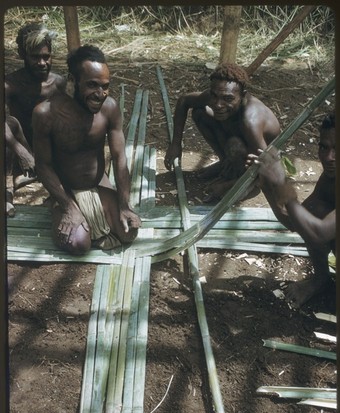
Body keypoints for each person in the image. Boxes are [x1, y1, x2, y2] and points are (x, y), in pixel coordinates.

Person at [32, 44, 141, 255]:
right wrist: (68, 207)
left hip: (97, 184)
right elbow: (43, 165)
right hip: (66, 191)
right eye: (92, 85)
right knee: (79, 244)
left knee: (129, 232)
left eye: (105, 86)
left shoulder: (110, 108)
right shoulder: (46, 113)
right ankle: (55, 205)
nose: (100, 94)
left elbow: (120, 158)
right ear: (73, 81)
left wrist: (125, 205)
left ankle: (101, 206)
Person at [250, 111, 335, 308]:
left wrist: (282, 184)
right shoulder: (330, 180)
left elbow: (319, 233)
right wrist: (267, 186)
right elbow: (297, 222)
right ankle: (321, 279)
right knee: (316, 210)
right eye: (324, 147)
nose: (329, 157)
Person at [164, 62, 280, 202]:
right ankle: (226, 163)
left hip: (258, 155)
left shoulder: (251, 120)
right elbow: (184, 101)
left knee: (234, 144)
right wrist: (176, 144)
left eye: (228, 99)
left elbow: (269, 166)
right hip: (239, 141)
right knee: (200, 113)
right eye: (214, 96)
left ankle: (244, 183)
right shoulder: (216, 96)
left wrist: (227, 186)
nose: (218, 104)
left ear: (242, 95)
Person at [5, 22, 66, 192]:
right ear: (22, 55)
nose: (42, 63)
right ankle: (8, 187)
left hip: (48, 152)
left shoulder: (58, 83)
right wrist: (22, 152)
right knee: (9, 123)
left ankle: (39, 174)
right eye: (35, 57)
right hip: (21, 149)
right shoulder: (10, 84)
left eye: (46, 57)